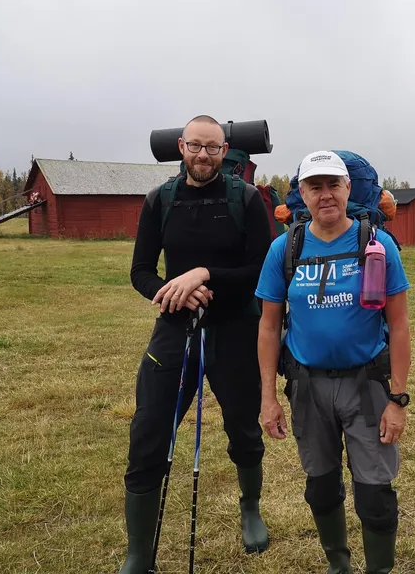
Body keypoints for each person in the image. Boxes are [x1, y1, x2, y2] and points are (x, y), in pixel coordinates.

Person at [120, 115, 272, 573]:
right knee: (148, 431)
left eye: (213, 148)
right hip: (175, 328)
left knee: (243, 427)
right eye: (195, 146)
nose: (203, 155)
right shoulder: (159, 200)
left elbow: (261, 270)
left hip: (236, 328)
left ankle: (250, 507)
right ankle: (138, 553)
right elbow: (141, 271)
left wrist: (204, 275)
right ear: (181, 147)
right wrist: (171, 291)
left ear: (225, 152)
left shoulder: (246, 199)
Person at [255, 151, 412, 574]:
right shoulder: (284, 249)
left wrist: (398, 400)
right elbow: (269, 326)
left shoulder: (377, 246)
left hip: (368, 386)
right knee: (322, 488)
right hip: (308, 388)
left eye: (333, 185)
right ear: (302, 194)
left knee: (375, 495)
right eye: (315, 187)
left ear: (348, 189)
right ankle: (338, 566)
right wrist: (268, 398)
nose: (325, 195)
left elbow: (399, 326)